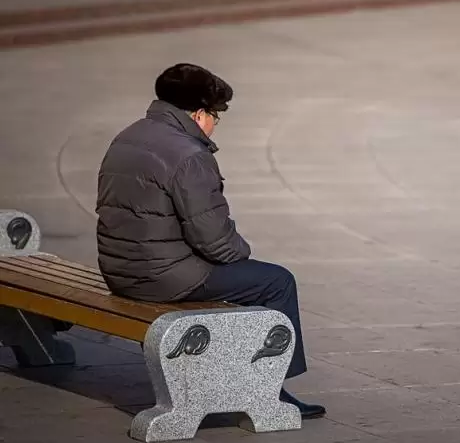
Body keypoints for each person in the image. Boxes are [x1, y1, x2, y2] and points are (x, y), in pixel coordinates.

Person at [95, 63, 325, 419]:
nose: (216, 124)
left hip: (119, 270)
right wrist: (243, 253)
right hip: (162, 278)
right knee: (276, 281)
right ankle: (271, 389)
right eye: (216, 116)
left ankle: (244, 375)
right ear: (199, 114)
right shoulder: (189, 155)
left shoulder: (129, 136)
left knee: (247, 276)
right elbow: (214, 240)